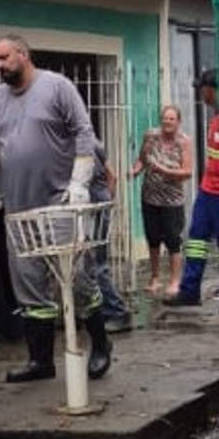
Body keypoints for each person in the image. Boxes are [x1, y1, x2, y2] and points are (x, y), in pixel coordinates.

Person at [0, 33, 113, 383]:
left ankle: (100, 345)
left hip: (60, 202)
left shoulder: (58, 87)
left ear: (23, 55)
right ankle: (40, 361)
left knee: (78, 280)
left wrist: (79, 181)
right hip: (19, 210)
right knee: (29, 287)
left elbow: (84, 133)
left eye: (4, 58)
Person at [164, 68, 219, 314]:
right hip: (208, 192)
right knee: (196, 242)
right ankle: (189, 291)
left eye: (202, 88)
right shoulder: (216, 118)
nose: (201, 93)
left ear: (211, 89)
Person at [131, 104, 193, 297]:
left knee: (173, 240)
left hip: (172, 200)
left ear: (178, 122)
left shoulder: (184, 141)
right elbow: (142, 159)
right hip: (150, 197)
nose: (167, 122)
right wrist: (135, 170)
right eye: (165, 118)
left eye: (171, 119)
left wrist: (163, 170)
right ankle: (155, 278)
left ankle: (175, 280)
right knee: (153, 238)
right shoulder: (150, 136)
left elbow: (187, 172)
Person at [89, 139, 132, 333]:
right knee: (94, 264)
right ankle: (105, 309)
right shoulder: (94, 142)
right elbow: (112, 176)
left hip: (93, 209)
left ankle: (117, 311)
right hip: (100, 206)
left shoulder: (79, 145)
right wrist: (109, 202)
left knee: (96, 266)